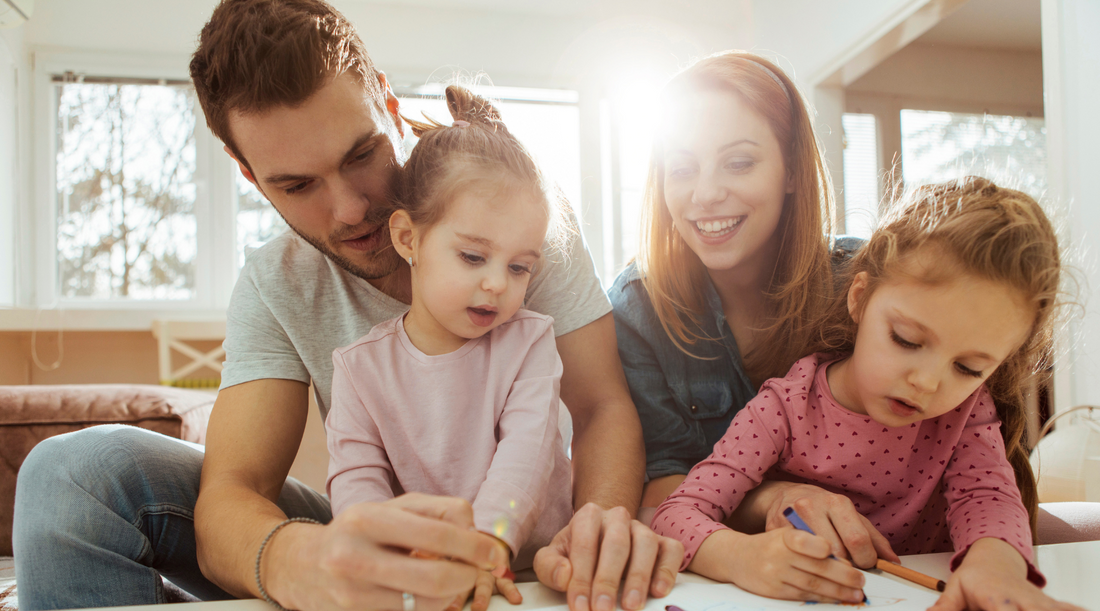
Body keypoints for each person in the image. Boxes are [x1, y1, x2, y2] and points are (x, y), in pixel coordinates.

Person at [12, 2, 684, 610]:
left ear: (387, 103)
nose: (351, 208)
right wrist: (297, 558)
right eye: (298, 184)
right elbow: (231, 494)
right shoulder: (276, 284)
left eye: (361, 153)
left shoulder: (512, 219)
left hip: (532, 530)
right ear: (247, 173)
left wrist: (596, 526)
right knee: (68, 476)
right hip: (376, 535)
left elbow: (601, 406)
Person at [654, 177, 1087, 611]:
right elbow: (675, 516)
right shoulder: (784, 408)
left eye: (968, 368)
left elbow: (987, 497)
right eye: (906, 339)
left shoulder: (969, 412)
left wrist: (995, 568)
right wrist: (740, 557)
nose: (927, 382)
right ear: (859, 298)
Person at [609, 50, 896, 578]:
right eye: (682, 167)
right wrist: (775, 498)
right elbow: (663, 481)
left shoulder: (861, 283)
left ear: (791, 169)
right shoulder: (638, 309)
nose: (705, 194)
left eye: (739, 162)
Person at [326, 85, 573, 611]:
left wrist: (484, 546)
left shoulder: (529, 341)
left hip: (533, 575)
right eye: (472, 257)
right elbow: (356, 480)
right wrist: (386, 554)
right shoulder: (359, 369)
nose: (496, 285)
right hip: (426, 579)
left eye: (518, 267)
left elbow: (524, 459)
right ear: (408, 239)